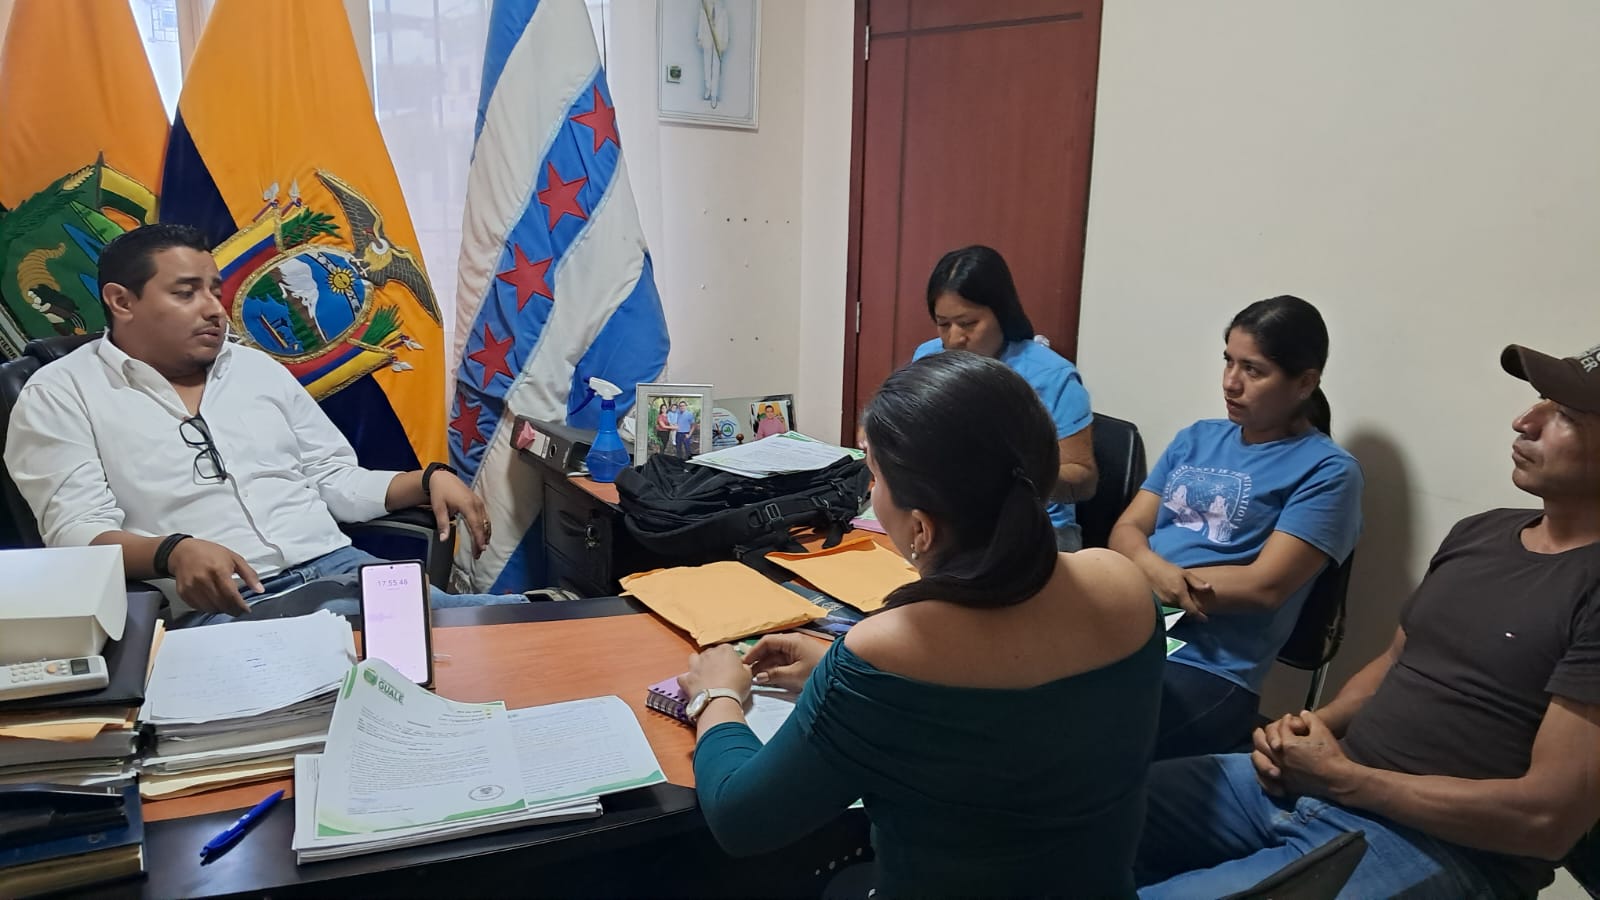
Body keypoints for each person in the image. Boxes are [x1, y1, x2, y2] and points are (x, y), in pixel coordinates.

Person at [678, 351, 1164, 898]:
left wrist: (717, 695)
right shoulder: (1124, 585)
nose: (869, 493)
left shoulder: (887, 651)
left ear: (921, 527)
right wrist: (836, 675)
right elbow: (1022, 728)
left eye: (874, 475)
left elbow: (742, 820)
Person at [1134, 340, 1600, 899]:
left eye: (1564, 414)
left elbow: (1548, 820)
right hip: (1324, 784)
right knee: (1085, 811)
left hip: (1438, 845)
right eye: (1539, 401)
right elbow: (1398, 659)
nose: (1525, 421)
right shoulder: (1481, 532)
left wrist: (1348, 782)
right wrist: (1313, 729)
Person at [3, 224, 528, 626]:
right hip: (223, 606)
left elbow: (333, 478)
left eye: (214, 290)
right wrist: (172, 550)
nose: (215, 310)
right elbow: (77, 535)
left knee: (510, 627)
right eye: (186, 293)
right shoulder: (59, 393)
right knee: (392, 663)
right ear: (122, 301)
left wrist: (427, 479)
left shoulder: (256, 369)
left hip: (343, 571)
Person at [1109, 295, 1362, 759]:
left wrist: (1154, 582)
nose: (1230, 382)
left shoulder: (1327, 471)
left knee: (1088, 739)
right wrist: (1149, 570)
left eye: (1253, 370)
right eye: (1228, 361)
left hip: (1207, 666)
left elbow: (1264, 586)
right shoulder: (1196, 438)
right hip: (1129, 624)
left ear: (1305, 382)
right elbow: (1128, 528)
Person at [912, 245, 1097, 551]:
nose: (954, 338)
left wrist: (1011, 475)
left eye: (968, 323)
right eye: (943, 324)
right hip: (946, 517)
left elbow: (1083, 480)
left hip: (1035, 528)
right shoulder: (929, 357)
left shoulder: (1052, 376)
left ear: (1001, 313)